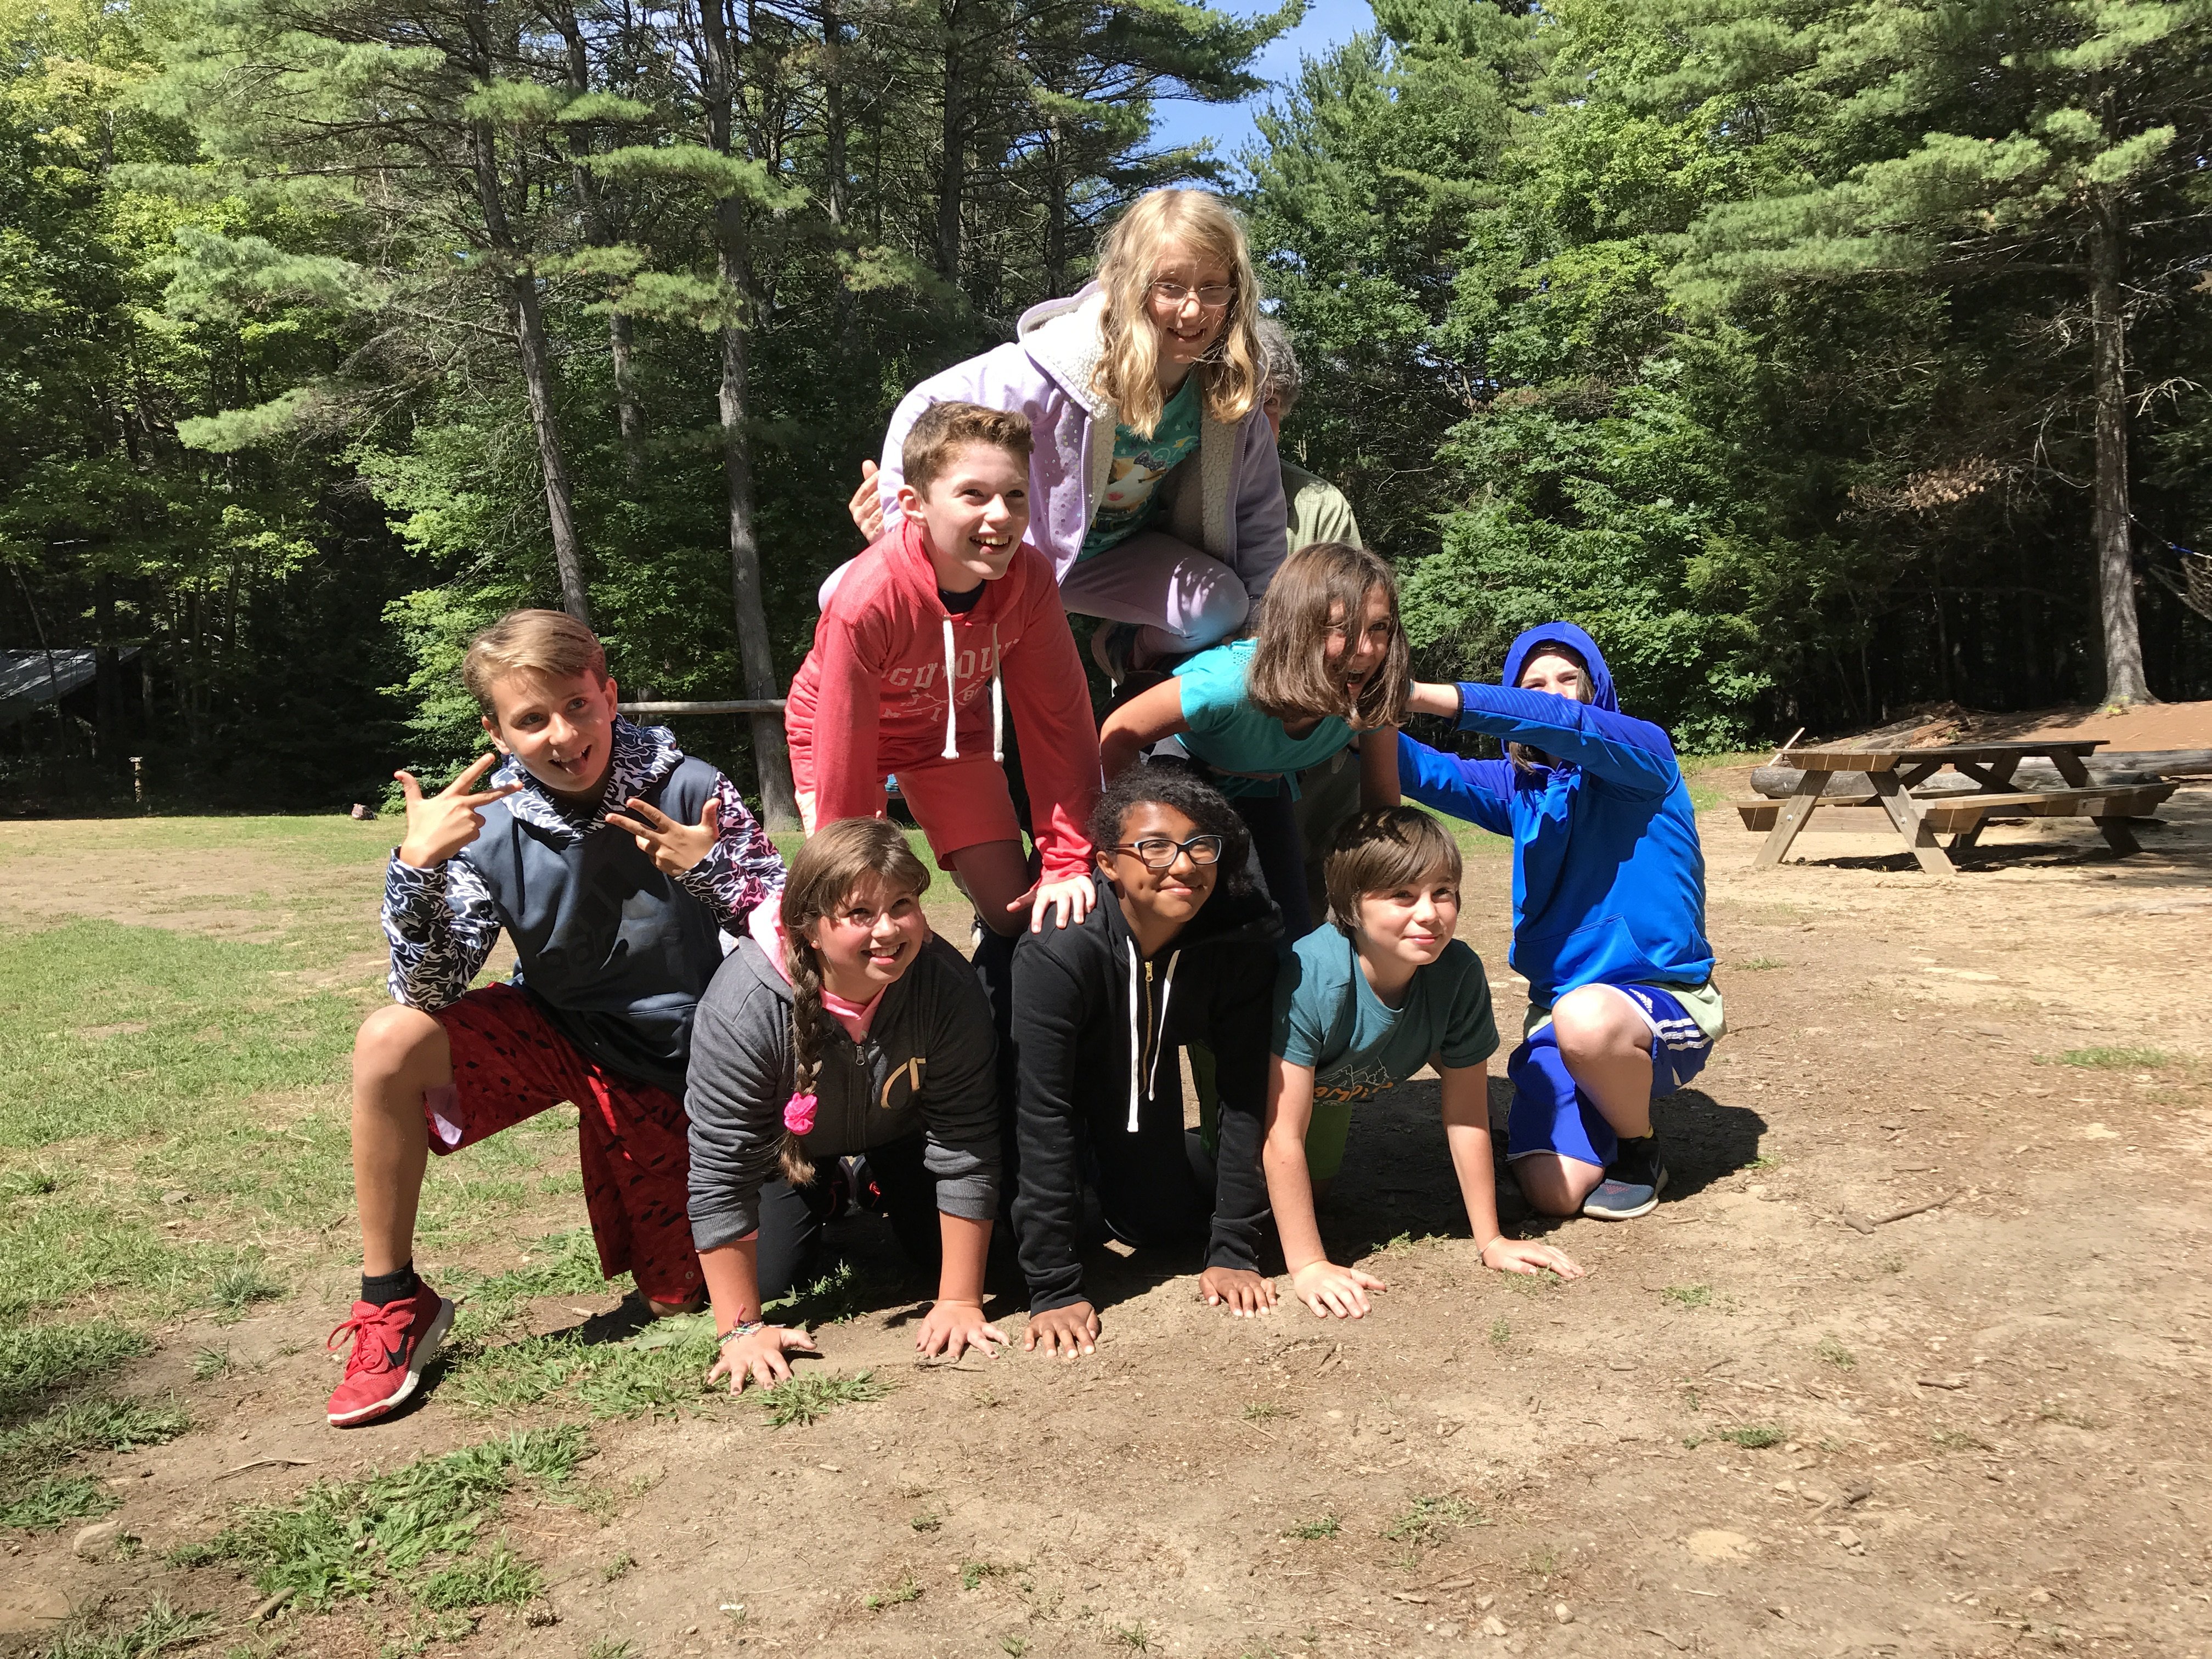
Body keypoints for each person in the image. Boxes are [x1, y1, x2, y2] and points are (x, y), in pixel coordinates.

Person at [329, 610, 785, 1427]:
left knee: (680, 1295)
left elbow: (792, 937)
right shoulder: (485, 823)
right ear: (497, 732)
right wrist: (417, 868)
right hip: (562, 1034)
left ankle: (815, 1173)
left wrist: (711, 871)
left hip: (687, 1062)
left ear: (609, 696)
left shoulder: (690, 787)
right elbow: (429, 989)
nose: (564, 736)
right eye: (532, 719)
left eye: (578, 706)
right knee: (390, 1040)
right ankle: (393, 1299)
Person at [844, 188, 1287, 675]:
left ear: (1236, 293)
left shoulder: (1230, 389)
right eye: (1170, 287)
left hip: (1120, 558)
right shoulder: (1061, 365)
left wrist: (1262, 624)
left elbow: (1259, 512)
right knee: (845, 596)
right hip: (1020, 553)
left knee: (1223, 605)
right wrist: (905, 529)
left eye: (1213, 287)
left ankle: (1128, 651)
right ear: (1131, 285)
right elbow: (924, 405)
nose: (1192, 310)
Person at [1397, 623, 1722, 1223]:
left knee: (1587, 1019)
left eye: (1568, 679)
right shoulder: (1518, 790)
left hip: (1659, 1001)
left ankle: (1638, 1145)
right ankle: (1585, 1111)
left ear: (1594, 688)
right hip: (1560, 1012)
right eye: (1534, 684)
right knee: (1554, 1193)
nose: (1553, 693)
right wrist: (1342, 707)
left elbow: (1566, 725)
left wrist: (1413, 693)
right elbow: (1419, 769)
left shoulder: (1646, 757)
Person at [685, 819, 1005, 1386]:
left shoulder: (945, 986)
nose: (888, 929)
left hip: (905, 1133)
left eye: (902, 904)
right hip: (789, 1151)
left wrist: (960, 1299)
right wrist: (741, 1330)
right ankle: (832, 1189)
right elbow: (721, 1171)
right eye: (860, 913)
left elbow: (966, 1138)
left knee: (975, 1257)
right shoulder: (742, 1007)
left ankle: (874, 1181)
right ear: (809, 929)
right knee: (773, 1280)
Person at [785, 400, 1102, 942]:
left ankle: (976, 932)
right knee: (855, 911)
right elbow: (844, 745)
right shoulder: (868, 600)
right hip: (838, 736)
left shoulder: (1030, 581)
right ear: (914, 505)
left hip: (945, 737)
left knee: (1011, 914)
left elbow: (1059, 721)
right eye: (974, 494)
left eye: (1015, 495)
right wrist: (852, 865)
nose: (1000, 516)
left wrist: (1067, 860)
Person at [1263, 809, 1583, 1320]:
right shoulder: (1314, 976)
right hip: (1252, 1088)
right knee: (1239, 1202)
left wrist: (1491, 1240)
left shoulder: (1458, 975)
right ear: (1350, 904)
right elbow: (1282, 1134)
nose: (1430, 913)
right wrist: (1308, 1265)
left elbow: (1467, 1116)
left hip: (1332, 1091)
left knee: (1313, 1196)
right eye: (1402, 895)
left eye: (1443, 892)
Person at [1011, 767, 1283, 1358]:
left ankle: (1147, 1160)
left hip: (1137, 1087)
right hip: (1030, 1096)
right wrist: (1054, 1287)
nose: (1183, 865)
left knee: (1158, 1227)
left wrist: (1234, 1249)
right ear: (1108, 863)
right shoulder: (1060, 949)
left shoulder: (1238, 944)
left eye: (1201, 846)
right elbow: (1042, 1116)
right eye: (1155, 847)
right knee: (1002, 1257)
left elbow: (1243, 1094)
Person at [1096, 540, 1405, 940]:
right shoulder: (1230, 685)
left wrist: (1389, 888)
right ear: (1298, 626)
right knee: (1193, 925)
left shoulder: (1375, 694)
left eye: (1379, 627)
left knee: (1286, 932)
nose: (1365, 649)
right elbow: (1117, 734)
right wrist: (1128, 837)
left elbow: (1381, 804)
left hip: (1257, 781)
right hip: (1176, 764)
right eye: (1342, 628)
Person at [1252, 315, 1370, 928]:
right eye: (1243, 403)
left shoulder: (1318, 506)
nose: (1257, 421)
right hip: (1202, 747)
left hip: (1317, 766)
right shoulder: (1160, 496)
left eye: (1271, 405)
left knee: (1319, 932)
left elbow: (1356, 640)